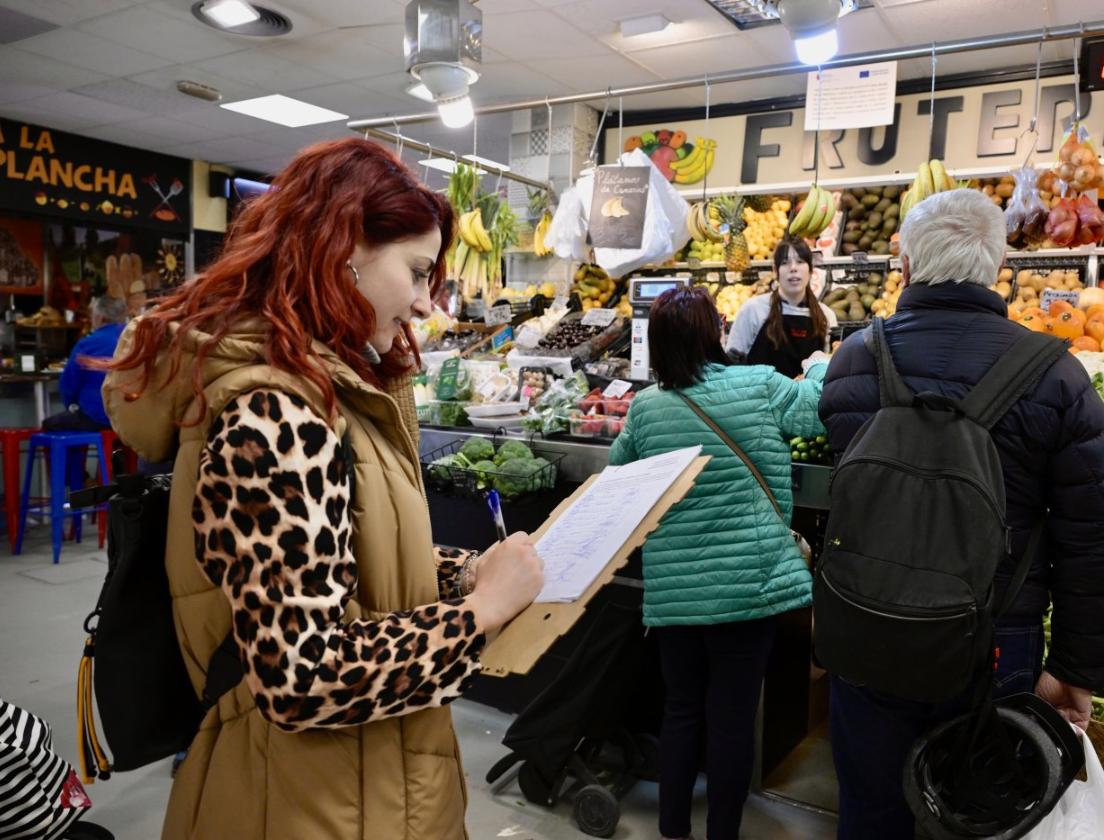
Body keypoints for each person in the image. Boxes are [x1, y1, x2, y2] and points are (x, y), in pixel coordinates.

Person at [101, 138, 544, 840]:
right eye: (418, 271)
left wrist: (463, 574)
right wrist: (477, 617)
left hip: (361, 783)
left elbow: (339, 560)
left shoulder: (329, 390)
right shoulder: (278, 413)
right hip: (311, 801)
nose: (428, 303)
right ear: (344, 249)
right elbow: (302, 677)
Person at [817, 188, 1104, 840]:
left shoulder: (853, 362)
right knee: (980, 819)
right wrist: (1076, 668)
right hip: (995, 640)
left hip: (869, 630)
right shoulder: (1057, 377)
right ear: (998, 268)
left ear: (905, 265)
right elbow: (1094, 538)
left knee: (871, 815)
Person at [609, 286, 826, 840]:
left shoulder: (646, 409)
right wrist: (823, 364)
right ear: (715, 334)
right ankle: (722, 833)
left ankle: (673, 828)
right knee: (731, 723)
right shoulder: (758, 385)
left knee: (681, 711)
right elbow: (817, 414)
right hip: (746, 593)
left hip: (675, 598)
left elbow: (618, 477)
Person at [726, 238, 837, 377]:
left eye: (800, 261)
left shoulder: (826, 316)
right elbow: (732, 366)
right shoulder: (753, 309)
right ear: (775, 271)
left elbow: (829, 369)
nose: (793, 268)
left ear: (811, 270)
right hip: (761, 397)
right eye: (785, 263)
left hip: (808, 398)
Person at [43, 296, 127, 432]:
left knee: (51, 425)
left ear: (100, 317)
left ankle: (78, 453)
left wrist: (70, 405)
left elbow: (68, 384)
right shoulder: (135, 339)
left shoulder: (88, 344)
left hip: (96, 416)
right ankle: (114, 453)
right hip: (129, 419)